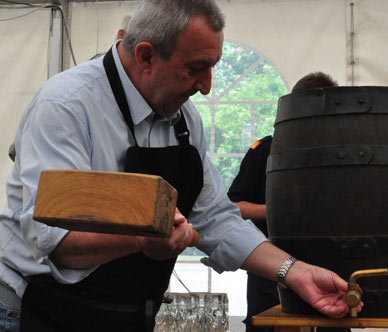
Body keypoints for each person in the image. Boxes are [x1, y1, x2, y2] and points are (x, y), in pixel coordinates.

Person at [0, 1, 360, 332]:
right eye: (196, 69)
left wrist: (294, 272)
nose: (206, 87)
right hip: (33, 309)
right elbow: (55, 240)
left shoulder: (184, 120)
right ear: (146, 56)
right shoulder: (67, 106)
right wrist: (142, 239)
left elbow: (217, 218)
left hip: (120, 314)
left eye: (212, 69)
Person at [228, 72, 351, 332]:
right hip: (272, 270)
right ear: (295, 106)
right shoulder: (265, 150)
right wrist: (277, 213)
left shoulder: (344, 154)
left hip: (330, 269)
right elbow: (233, 209)